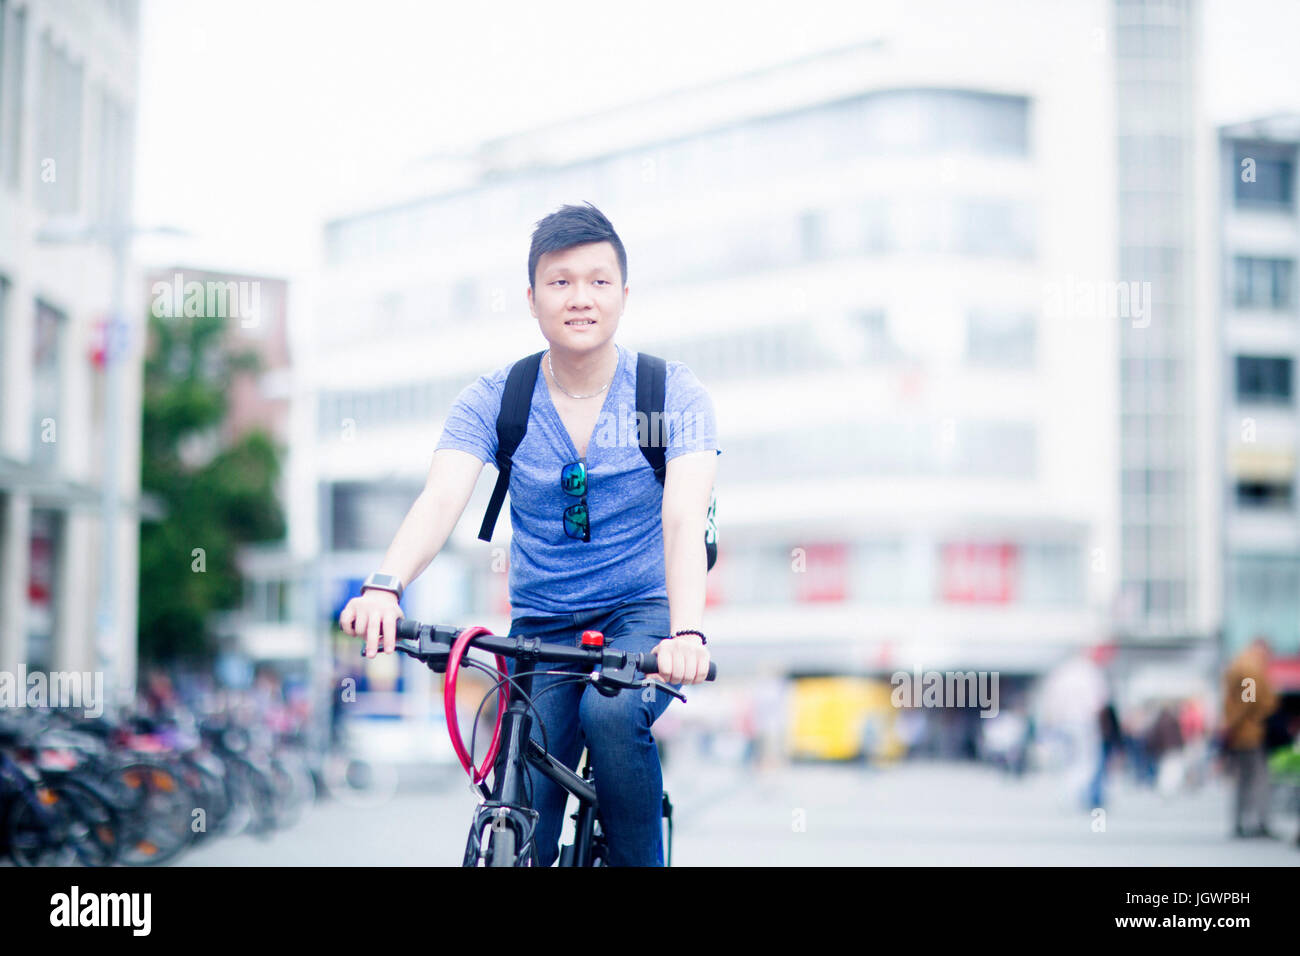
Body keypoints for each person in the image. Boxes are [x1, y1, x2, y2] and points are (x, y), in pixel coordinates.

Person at [338, 203, 720, 866]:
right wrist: (384, 584)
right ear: (533, 297)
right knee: (524, 813)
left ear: (624, 296)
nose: (580, 298)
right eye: (561, 281)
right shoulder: (497, 400)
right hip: (541, 625)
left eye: (599, 282)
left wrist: (685, 633)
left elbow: (684, 517)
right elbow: (440, 499)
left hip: (642, 615)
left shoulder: (670, 393)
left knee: (610, 714)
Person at [1220, 637, 1280, 839]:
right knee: (1257, 779)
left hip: (1245, 731)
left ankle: (1242, 821)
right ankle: (1258, 822)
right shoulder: (1249, 668)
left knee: (1244, 779)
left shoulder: (1241, 665)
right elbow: (1248, 701)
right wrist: (1234, 724)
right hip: (1251, 732)